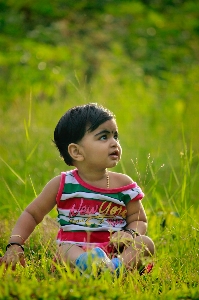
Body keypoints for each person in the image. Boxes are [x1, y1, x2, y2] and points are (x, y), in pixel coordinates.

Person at [0, 103, 155, 276]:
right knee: (65, 249)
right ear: (76, 152)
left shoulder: (124, 185)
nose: (114, 143)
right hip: (74, 258)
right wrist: (15, 244)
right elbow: (32, 214)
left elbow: (139, 219)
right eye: (104, 137)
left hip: (115, 254)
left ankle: (113, 270)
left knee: (145, 243)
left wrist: (130, 233)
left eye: (115, 136)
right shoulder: (63, 184)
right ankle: (93, 267)